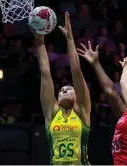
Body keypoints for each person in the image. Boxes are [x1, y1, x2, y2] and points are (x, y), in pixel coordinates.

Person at [31, 12, 91, 165]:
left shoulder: (82, 112)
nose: (65, 90)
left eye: (69, 89)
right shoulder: (51, 113)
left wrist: (70, 38)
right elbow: (45, 73)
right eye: (62, 90)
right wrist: (40, 41)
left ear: (77, 97)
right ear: (56, 99)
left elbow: (76, 72)